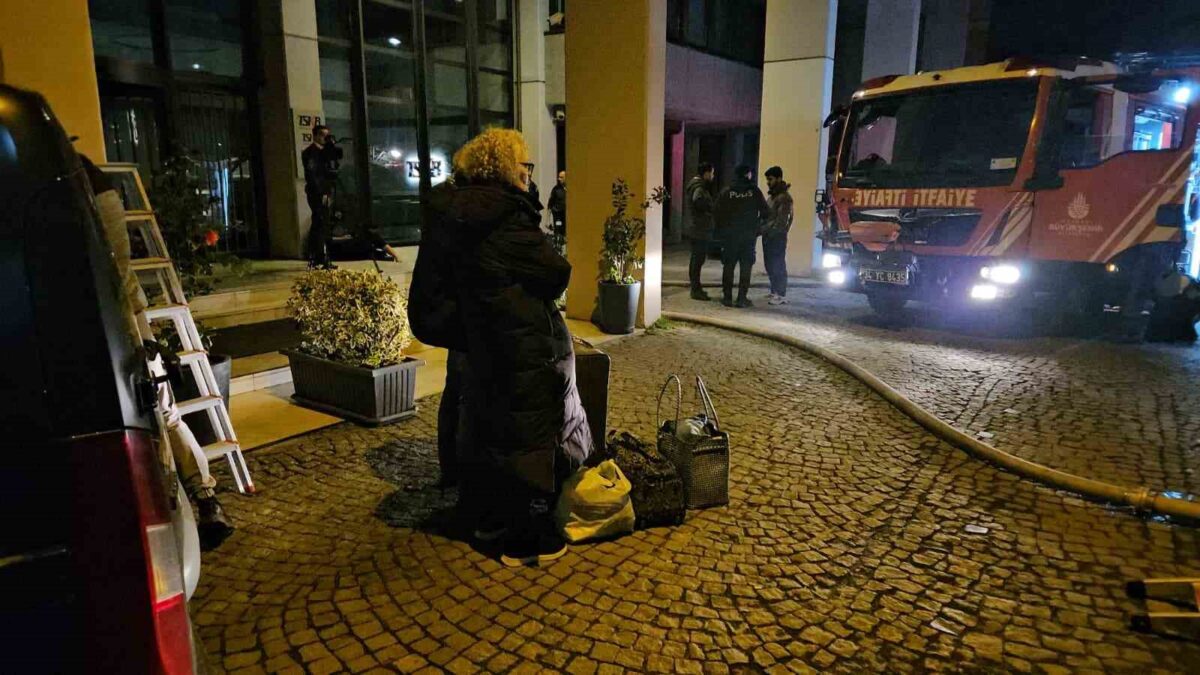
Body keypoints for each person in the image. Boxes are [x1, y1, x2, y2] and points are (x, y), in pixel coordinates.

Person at [415, 128, 591, 567]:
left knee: (488, 425)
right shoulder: (507, 215)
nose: (528, 173)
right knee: (525, 431)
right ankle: (523, 539)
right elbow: (556, 273)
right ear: (508, 168)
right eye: (524, 165)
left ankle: (488, 520)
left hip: (477, 343)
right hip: (519, 340)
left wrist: (470, 331)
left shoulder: (450, 213)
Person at [83, 157, 234, 551]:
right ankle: (205, 499)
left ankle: (176, 503)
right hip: (132, 320)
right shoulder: (91, 186)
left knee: (156, 416)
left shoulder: (80, 196)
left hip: (122, 327)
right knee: (166, 415)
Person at [714, 164, 769, 308]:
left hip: (730, 236)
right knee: (746, 267)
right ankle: (741, 299)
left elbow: (717, 212)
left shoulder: (727, 191)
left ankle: (727, 298)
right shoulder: (754, 191)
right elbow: (766, 212)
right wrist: (756, 227)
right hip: (748, 236)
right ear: (747, 174)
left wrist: (722, 230)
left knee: (728, 266)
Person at [302, 124, 343, 269]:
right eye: (323, 136)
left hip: (327, 191)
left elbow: (337, 159)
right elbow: (313, 176)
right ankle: (317, 256)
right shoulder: (310, 153)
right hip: (317, 193)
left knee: (322, 223)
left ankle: (320, 256)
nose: (325, 139)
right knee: (319, 222)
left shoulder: (326, 152)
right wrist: (322, 193)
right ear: (316, 136)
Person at [762, 166, 794, 305]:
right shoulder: (772, 197)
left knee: (777, 264)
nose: (768, 182)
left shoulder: (784, 198)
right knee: (770, 264)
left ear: (779, 178)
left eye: (770, 179)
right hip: (769, 235)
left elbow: (782, 220)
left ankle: (780, 294)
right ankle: (774, 290)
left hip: (777, 236)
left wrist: (772, 232)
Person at [685, 163, 716, 300]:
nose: (713, 176)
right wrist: (709, 209)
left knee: (696, 259)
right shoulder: (699, 187)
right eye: (712, 173)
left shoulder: (695, 185)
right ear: (706, 173)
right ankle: (696, 290)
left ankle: (695, 288)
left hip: (696, 227)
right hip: (700, 229)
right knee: (698, 260)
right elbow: (698, 201)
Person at [548, 171, 567, 253]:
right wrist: (548, 220)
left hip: (567, 216)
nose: (559, 179)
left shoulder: (571, 188)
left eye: (561, 177)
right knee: (558, 232)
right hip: (558, 216)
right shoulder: (555, 190)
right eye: (559, 177)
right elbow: (550, 205)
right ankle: (558, 249)